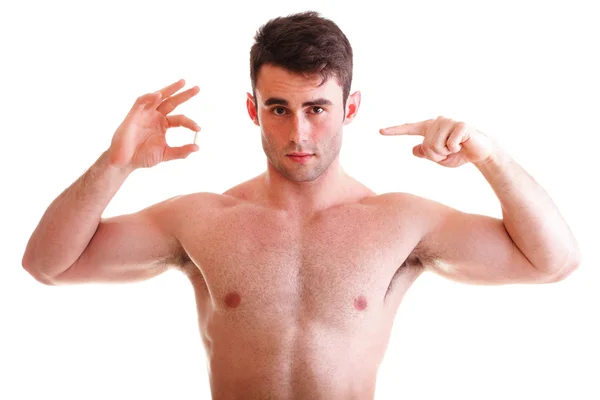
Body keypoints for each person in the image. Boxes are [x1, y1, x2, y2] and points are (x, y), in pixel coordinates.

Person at [21, 10, 581, 400]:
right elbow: (50, 265)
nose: (299, 132)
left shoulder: (400, 222)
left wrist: (488, 156)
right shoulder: (201, 220)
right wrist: (115, 164)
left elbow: (553, 262)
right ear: (252, 108)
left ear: (350, 107)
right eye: (278, 108)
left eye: (317, 108)